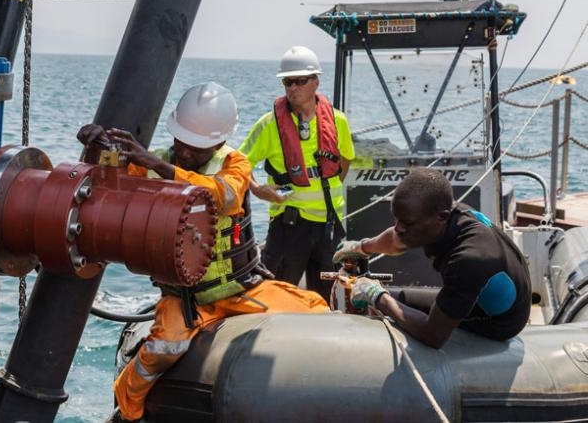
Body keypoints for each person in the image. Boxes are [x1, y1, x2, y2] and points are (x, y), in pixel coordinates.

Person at [79, 82, 330, 422]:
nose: (185, 153)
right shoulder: (154, 164)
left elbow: (222, 196)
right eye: (181, 143)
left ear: (218, 142)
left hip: (238, 289)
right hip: (185, 298)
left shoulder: (234, 164)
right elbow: (112, 180)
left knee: (317, 310)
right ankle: (127, 412)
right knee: (162, 350)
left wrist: (162, 168)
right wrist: (97, 150)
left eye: (196, 149)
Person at [333, 167, 532, 349]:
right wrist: (362, 247)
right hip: (478, 297)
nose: (399, 227)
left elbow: (433, 335)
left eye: (407, 222)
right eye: (397, 219)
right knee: (393, 298)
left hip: (497, 322)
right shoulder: (448, 214)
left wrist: (377, 297)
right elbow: (396, 239)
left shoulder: (469, 259)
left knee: (387, 303)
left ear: (441, 218)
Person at [239, 46, 355, 295]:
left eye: (300, 81)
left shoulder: (338, 122)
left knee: (324, 297)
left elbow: (345, 161)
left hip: (329, 228)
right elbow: (237, 164)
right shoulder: (269, 124)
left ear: (316, 82)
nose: (292, 88)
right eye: (287, 82)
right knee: (278, 295)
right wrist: (259, 190)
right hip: (288, 226)